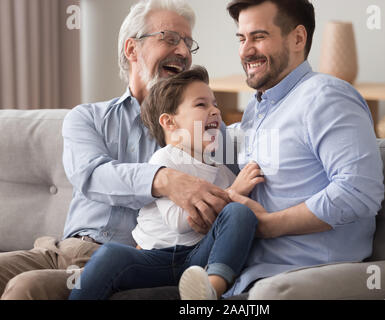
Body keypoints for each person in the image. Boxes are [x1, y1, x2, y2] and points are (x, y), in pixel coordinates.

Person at [0, 0, 232, 300]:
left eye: (188, 43)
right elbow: (92, 175)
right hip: (56, 250)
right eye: (171, 39)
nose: (184, 52)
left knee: (27, 287)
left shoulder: (202, 129)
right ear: (132, 49)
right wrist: (163, 180)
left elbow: (236, 186)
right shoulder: (87, 118)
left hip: (119, 262)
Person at [218, 0, 385, 297]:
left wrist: (268, 225)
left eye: (258, 36)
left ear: (297, 38)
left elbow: (359, 191)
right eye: (241, 39)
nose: (245, 50)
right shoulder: (258, 110)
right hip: (240, 277)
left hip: (295, 279)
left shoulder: (326, 97)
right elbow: (213, 145)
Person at [69, 66, 264, 300]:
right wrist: (233, 192)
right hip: (157, 259)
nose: (214, 111)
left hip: (197, 260)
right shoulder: (165, 160)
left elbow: (234, 217)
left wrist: (237, 195)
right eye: (201, 105)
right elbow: (180, 222)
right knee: (110, 254)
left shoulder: (219, 166)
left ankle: (211, 289)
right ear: (169, 123)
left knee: (239, 213)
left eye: (216, 104)